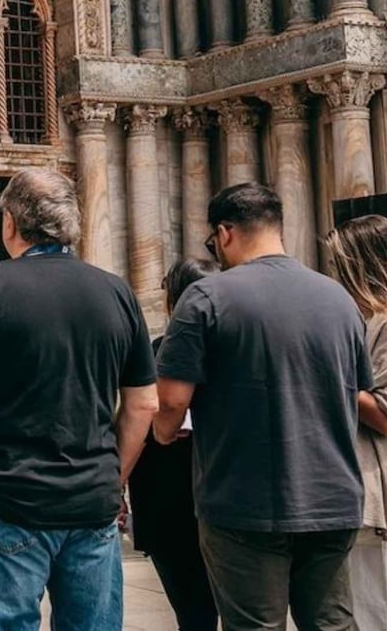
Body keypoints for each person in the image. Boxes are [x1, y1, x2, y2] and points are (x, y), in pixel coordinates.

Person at [0, 168, 158, 631]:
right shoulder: (116, 292)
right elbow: (144, 403)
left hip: (7, 497)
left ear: (10, 223)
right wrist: (115, 474)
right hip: (91, 500)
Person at [155, 183, 371, 631]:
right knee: (332, 623)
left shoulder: (205, 298)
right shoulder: (339, 300)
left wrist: (163, 429)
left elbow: (171, 400)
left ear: (224, 232)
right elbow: (355, 392)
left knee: (254, 625)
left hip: (243, 500)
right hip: (331, 496)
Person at [126, 258, 220, 631]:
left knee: (193, 613)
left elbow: (142, 416)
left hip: (170, 499)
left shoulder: (157, 351)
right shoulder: (242, 349)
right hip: (220, 494)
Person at [326, 215, 387, 631]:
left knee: (381, 600)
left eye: (339, 263)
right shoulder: (364, 319)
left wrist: (329, 374)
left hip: (386, 473)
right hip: (357, 475)